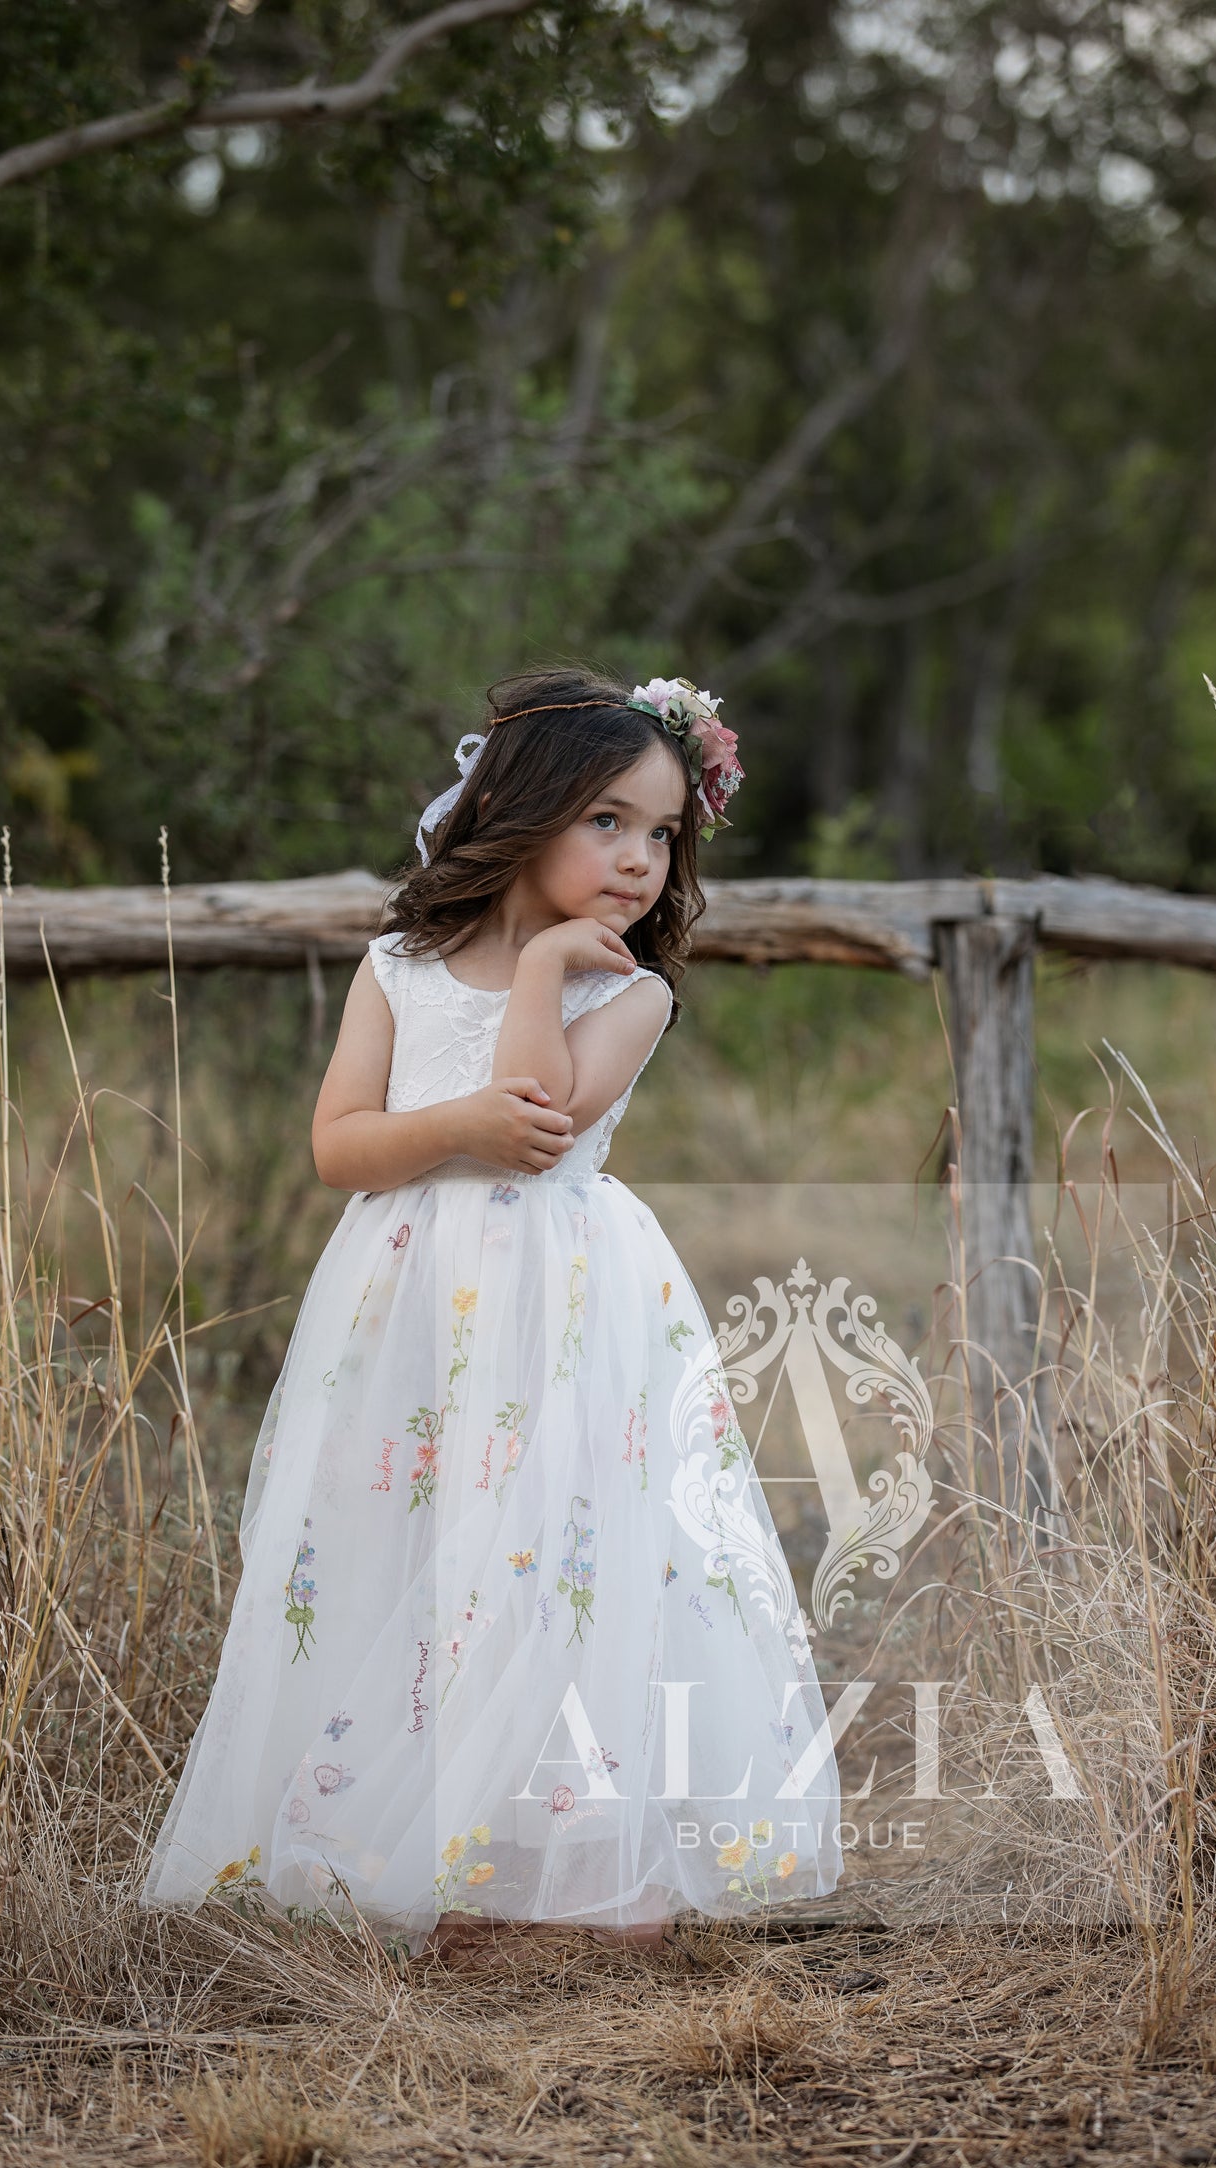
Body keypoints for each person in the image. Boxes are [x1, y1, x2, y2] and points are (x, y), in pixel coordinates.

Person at [139, 666, 843, 1966]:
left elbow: (531, 1127)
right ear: (523, 810)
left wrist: (544, 969)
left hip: (563, 1309)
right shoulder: (397, 970)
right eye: (608, 822)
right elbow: (341, 1147)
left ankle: (577, 1867)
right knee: (421, 1550)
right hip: (409, 1303)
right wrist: (448, 1119)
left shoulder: (627, 994)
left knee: (549, 1561)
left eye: (663, 834)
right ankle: (429, 1852)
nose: (640, 860)